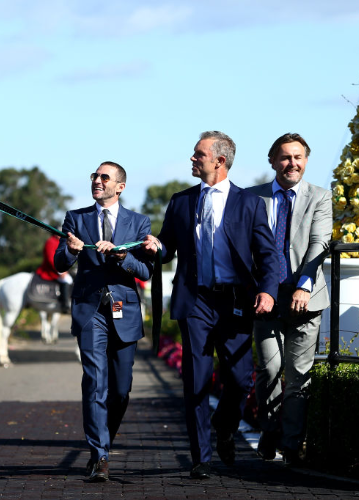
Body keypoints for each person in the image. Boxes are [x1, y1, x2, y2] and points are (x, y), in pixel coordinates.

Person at [143, 131, 278, 479]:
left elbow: (268, 255)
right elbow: (168, 248)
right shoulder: (181, 201)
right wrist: (155, 247)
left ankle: (224, 425)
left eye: (198, 154)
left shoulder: (249, 203)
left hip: (235, 301)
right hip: (195, 301)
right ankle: (201, 458)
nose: (192, 159)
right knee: (196, 381)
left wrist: (268, 291)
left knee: (240, 380)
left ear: (219, 161)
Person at [54, 161, 153, 482]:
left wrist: (123, 257)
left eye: (104, 177)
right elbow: (58, 263)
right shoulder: (76, 218)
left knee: (121, 390)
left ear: (120, 186)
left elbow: (146, 271)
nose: (97, 181)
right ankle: (101, 455)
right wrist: (69, 252)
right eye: (94, 176)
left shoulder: (139, 222)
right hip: (89, 311)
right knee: (95, 382)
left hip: (125, 311)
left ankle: (104, 441)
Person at [247, 133, 332, 465]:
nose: (291, 163)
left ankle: (293, 444)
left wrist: (304, 285)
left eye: (298, 157)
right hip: (265, 300)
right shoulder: (252, 197)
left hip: (304, 301)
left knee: (298, 376)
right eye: (284, 157)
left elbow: (319, 243)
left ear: (306, 160)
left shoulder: (320, 197)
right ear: (272, 162)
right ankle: (269, 430)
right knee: (269, 370)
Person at [36, 234, 73, 313]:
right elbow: (50, 259)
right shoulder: (51, 242)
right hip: (50, 270)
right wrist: (60, 271)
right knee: (67, 280)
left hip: (60, 268)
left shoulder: (59, 242)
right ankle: (65, 305)